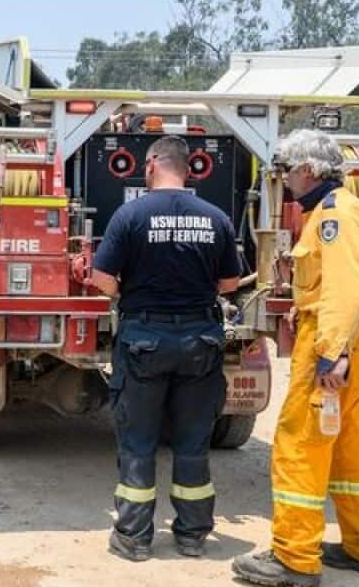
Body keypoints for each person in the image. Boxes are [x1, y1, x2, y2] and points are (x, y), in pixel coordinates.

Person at [232, 129, 359, 586]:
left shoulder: (333, 217)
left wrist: (331, 353)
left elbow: (348, 287)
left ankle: (295, 558)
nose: (284, 181)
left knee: (300, 443)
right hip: (357, 339)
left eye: (286, 171)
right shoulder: (342, 209)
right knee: (348, 445)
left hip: (334, 339)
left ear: (307, 170)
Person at [90, 135, 242, 561]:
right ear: (189, 168)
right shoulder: (216, 218)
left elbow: (102, 280)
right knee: (193, 443)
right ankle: (193, 536)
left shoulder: (130, 215)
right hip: (200, 343)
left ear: (153, 164)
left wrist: (127, 289)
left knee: (138, 443)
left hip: (144, 343)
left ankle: (135, 539)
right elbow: (229, 285)